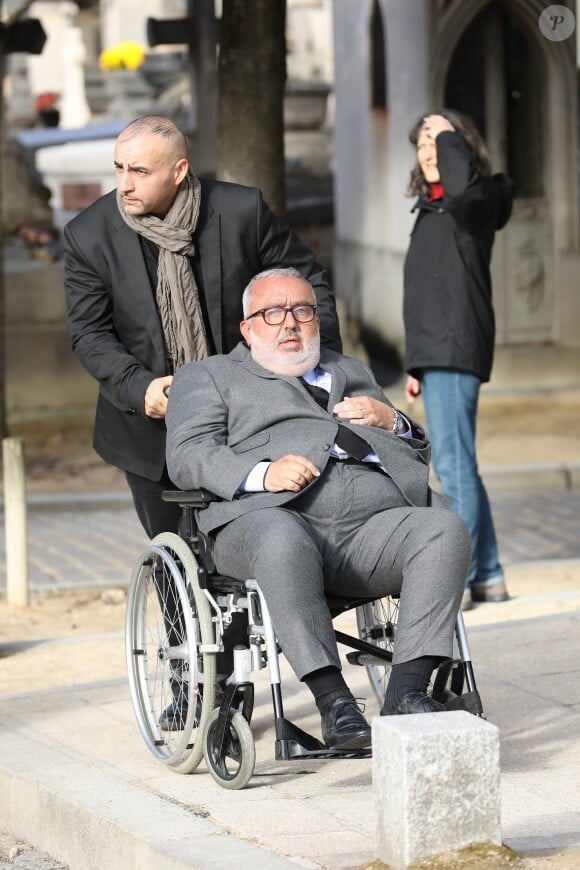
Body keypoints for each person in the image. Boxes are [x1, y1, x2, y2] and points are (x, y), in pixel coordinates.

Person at [166, 268, 470, 750]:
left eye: (301, 311)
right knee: (280, 537)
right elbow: (187, 456)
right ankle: (336, 705)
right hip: (268, 523)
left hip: (371, 530)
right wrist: (261, 473)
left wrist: (394, 422)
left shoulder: (351, 370)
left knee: (444, 528)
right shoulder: (210, 376)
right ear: (248, 327)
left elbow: (415, 450)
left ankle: (407, 695)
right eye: (272, 313)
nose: (289, 323)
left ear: (316, 322)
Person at [63, 114, 342, 551]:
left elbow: (308, 283)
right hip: (150, 433)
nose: (124, 184)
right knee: (180, 559)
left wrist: (314, 367)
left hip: (251, 409)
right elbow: (90, 334)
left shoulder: (239, 212)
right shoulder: (88, 235)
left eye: (139, 171)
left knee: (263, 545)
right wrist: (142, 390)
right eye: (119, 168)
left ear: (178, 171)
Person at [402, 110, 513, 610]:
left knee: (452, 466)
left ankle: (460, 578)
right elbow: (427, 290)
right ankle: (487, 574)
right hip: (436, 352)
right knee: (459, 464)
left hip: (456, 346)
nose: (428, 149)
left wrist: (449, 137)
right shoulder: (432, 210)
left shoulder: (478, 200)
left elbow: (467, 191)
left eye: (439, 139)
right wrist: (415, 361)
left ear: (460, 148)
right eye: (422, 141)